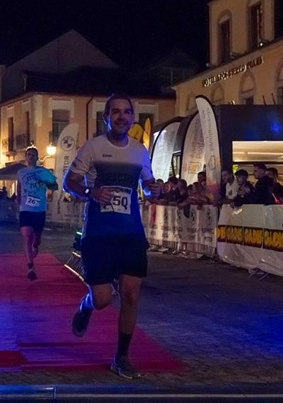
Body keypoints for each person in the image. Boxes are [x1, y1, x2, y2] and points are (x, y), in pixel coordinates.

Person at [63, 93, 161, 379]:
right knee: (103, 299)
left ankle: (121, 357)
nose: (121, 116)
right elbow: (69, 182)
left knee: (131, 294)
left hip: (131, 233)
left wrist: (154, 189)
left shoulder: (140, 151)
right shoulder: (93, 147)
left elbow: (147, 186)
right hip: (99, 234)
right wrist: (91, 192)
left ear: (132, 117)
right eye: (115, 112)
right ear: (106, 117)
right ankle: (87, 305)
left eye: (126, 112)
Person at [17, 145, 58, 281]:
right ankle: (31, 267)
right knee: (26, 235)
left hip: (39, 209)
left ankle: (36, 245)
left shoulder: (44, 172)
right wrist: (18, 199)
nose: (31, 157)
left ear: (37, 157)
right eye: (28, 154)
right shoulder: (21, 172)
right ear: (25, 157)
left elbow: (55, 185)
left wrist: (46, 183)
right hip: (25, 209)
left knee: (36, 237)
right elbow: (19, 185)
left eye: (33, 154)